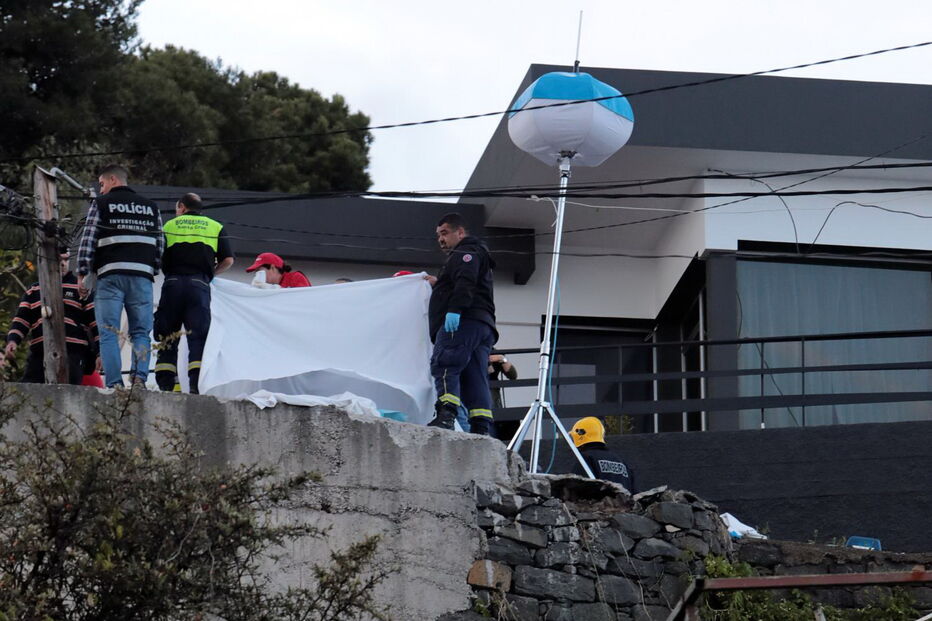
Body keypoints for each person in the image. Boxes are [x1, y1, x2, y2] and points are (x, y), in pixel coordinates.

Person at [77, 164, 163, 388]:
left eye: (102, 184)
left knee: (108, 332)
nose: (101, 189)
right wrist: (150, 269)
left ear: (113, 179)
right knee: (141, 332)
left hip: (111, 277)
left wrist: (83, 272)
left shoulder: (101, 204)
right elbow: (160, 244)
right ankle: (139, 380)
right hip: (142, 278)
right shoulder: (151, 207)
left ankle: (114, 384)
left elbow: (89, 239)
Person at [153, 193, 234, 393]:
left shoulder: (169, 226)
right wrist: (209, 275)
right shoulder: (215, 227)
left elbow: (157, 256)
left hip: (172, 284)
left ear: (181, 207)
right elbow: (228, 260)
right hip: (199, 285)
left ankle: (166, 386)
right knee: (198, 337)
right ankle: (196, 388)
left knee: (167, 335)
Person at [426, 213, 497, 435]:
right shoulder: (476, 254)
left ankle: (446, 416)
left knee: (445, 364)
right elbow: (466, 282)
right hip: (482, 326)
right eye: (438, 235)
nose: (440, 239)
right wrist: (440, 285)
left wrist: (454, 310)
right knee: (475, 377)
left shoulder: (465, 253)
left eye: (445, 233)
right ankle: (481, 428)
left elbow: (466, 281)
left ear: (460, 232)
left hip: (463, 322)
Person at [2, 251, 99, 384]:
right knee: (30, 394)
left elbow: (95, 323)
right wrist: (12, 341)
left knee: (67, 397)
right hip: (39, 353)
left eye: (66, 260)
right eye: (58, 259)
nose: (63, 264)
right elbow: (21, 320)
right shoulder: (34, 290)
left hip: (73, 353)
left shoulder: (81, 289)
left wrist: (100, 353)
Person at [570, 417, 637, 493]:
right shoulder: (621, 462)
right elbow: (635, 495)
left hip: (599, 504)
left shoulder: (586, 458)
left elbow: (577, 490)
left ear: (579, 436)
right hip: (623, 504)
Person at [244, 252, 310, 288]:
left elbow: (304, 300)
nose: (258, 276)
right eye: (256, 273)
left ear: (272, 268)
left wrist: (273, 289)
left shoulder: (295, 277)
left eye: (260, 272)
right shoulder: (263, 288)